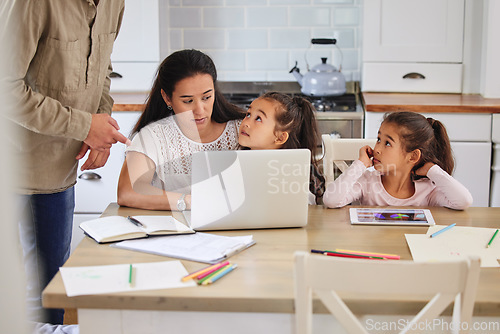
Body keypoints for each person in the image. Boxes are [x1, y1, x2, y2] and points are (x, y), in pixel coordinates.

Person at [0, 0, 130, 327]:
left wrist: (100, 125)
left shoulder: (115, 3)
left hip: (62, 170)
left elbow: (102, 67)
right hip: (16, 172)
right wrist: (85, 126)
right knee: (25, 302)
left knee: (53, 295)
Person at [117, 49, 245, 211]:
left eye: (207, 97)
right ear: (167, 98)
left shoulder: (242, 129)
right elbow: (128, 192)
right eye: (188, 100)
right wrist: (190, 201)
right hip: (175, 231)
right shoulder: (153, 135)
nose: (200, 110)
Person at [322, 111, 473, 210]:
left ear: (413, 156)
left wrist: (431, 170)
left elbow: (463, 201)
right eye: (379, 139)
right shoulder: (367, 182)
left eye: (387, 143)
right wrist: (360, 164)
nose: (377, 149)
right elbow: (331, 200)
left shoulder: (427, 190)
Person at [238, 92, 325, 204]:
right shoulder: (236, 164)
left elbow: (304, 209)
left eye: (258, 119)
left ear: (280, 138)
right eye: (248, 114)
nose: (246, 123)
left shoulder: (290, 175)